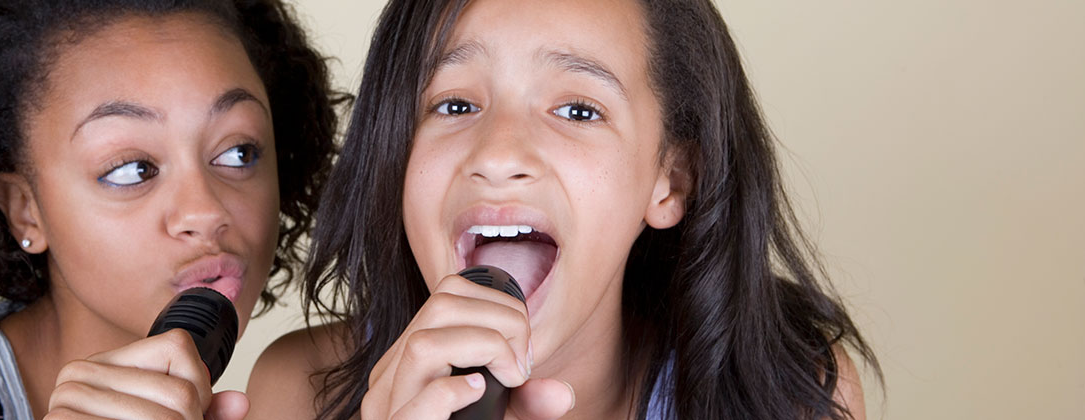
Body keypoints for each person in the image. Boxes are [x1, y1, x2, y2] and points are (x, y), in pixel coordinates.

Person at [248, 0, 880, 419]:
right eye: (454, 105)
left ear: (671, 180)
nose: (499, 154)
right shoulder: (301, 390)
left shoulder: (790, 391)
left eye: (578, 110)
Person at [0, 0, 341, 419]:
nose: (205, 211)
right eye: (132, 169)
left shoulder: (298, 391)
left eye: (237, 152)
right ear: (25, 210)